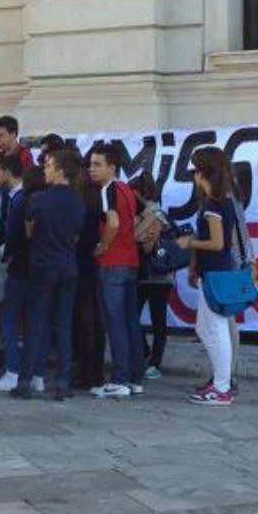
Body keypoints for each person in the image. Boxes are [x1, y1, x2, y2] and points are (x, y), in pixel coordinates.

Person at [14, 150, 85, 401]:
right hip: (67, 265)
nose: (45, 170)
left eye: (49, 166)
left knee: (36, 324)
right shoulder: (78, 202)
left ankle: (25, 381)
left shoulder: (37, 200)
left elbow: (30, 232)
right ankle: (62, 383)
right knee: (63, 325)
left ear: (60, 171)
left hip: (42, 265)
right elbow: (76, 236)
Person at [177, 147, 240, 406]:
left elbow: (217, 243)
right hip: (217, 271)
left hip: (216, 272)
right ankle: (220, 382)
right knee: (208, 328)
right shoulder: (225, 200)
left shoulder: (214, 205)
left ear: (202, 173)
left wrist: (190, 242)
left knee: (215, 329)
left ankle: (222, 386)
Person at [88, 144, 144, 399]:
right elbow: (146, 216)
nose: (91, 169)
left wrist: (103, 245)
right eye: (91, 164)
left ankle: (120, 378)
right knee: (130, 321)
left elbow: (113, 222)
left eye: (97, 164)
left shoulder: (108, 190)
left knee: (116, 322)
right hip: (130, 261)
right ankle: (134, 377)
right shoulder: (127, 190)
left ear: (112, 167)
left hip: (112, 263)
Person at [0, 160, 45, 393]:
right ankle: (37, 374)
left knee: (10, 319)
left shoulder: (21, 200)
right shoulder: (47, 200)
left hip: (21, 268)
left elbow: (13, 236)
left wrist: (5, 254)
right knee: (37, 322)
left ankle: (13, 370)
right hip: (43, 269)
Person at [129, 173, 173, 380]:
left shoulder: (155, 214)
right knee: (134, 315)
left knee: (157, 320)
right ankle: (147, 354)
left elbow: (146, 246)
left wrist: (137, 232)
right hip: (146, 274)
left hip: (156, 274)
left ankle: (155, 361)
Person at [73, 153, 106, 391]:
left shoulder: (83, 201)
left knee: (84, 320)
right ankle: (95, 371)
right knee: (95, 320)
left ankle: (86, 371)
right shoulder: (100, 198)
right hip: (95, 263)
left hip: (83, 263)